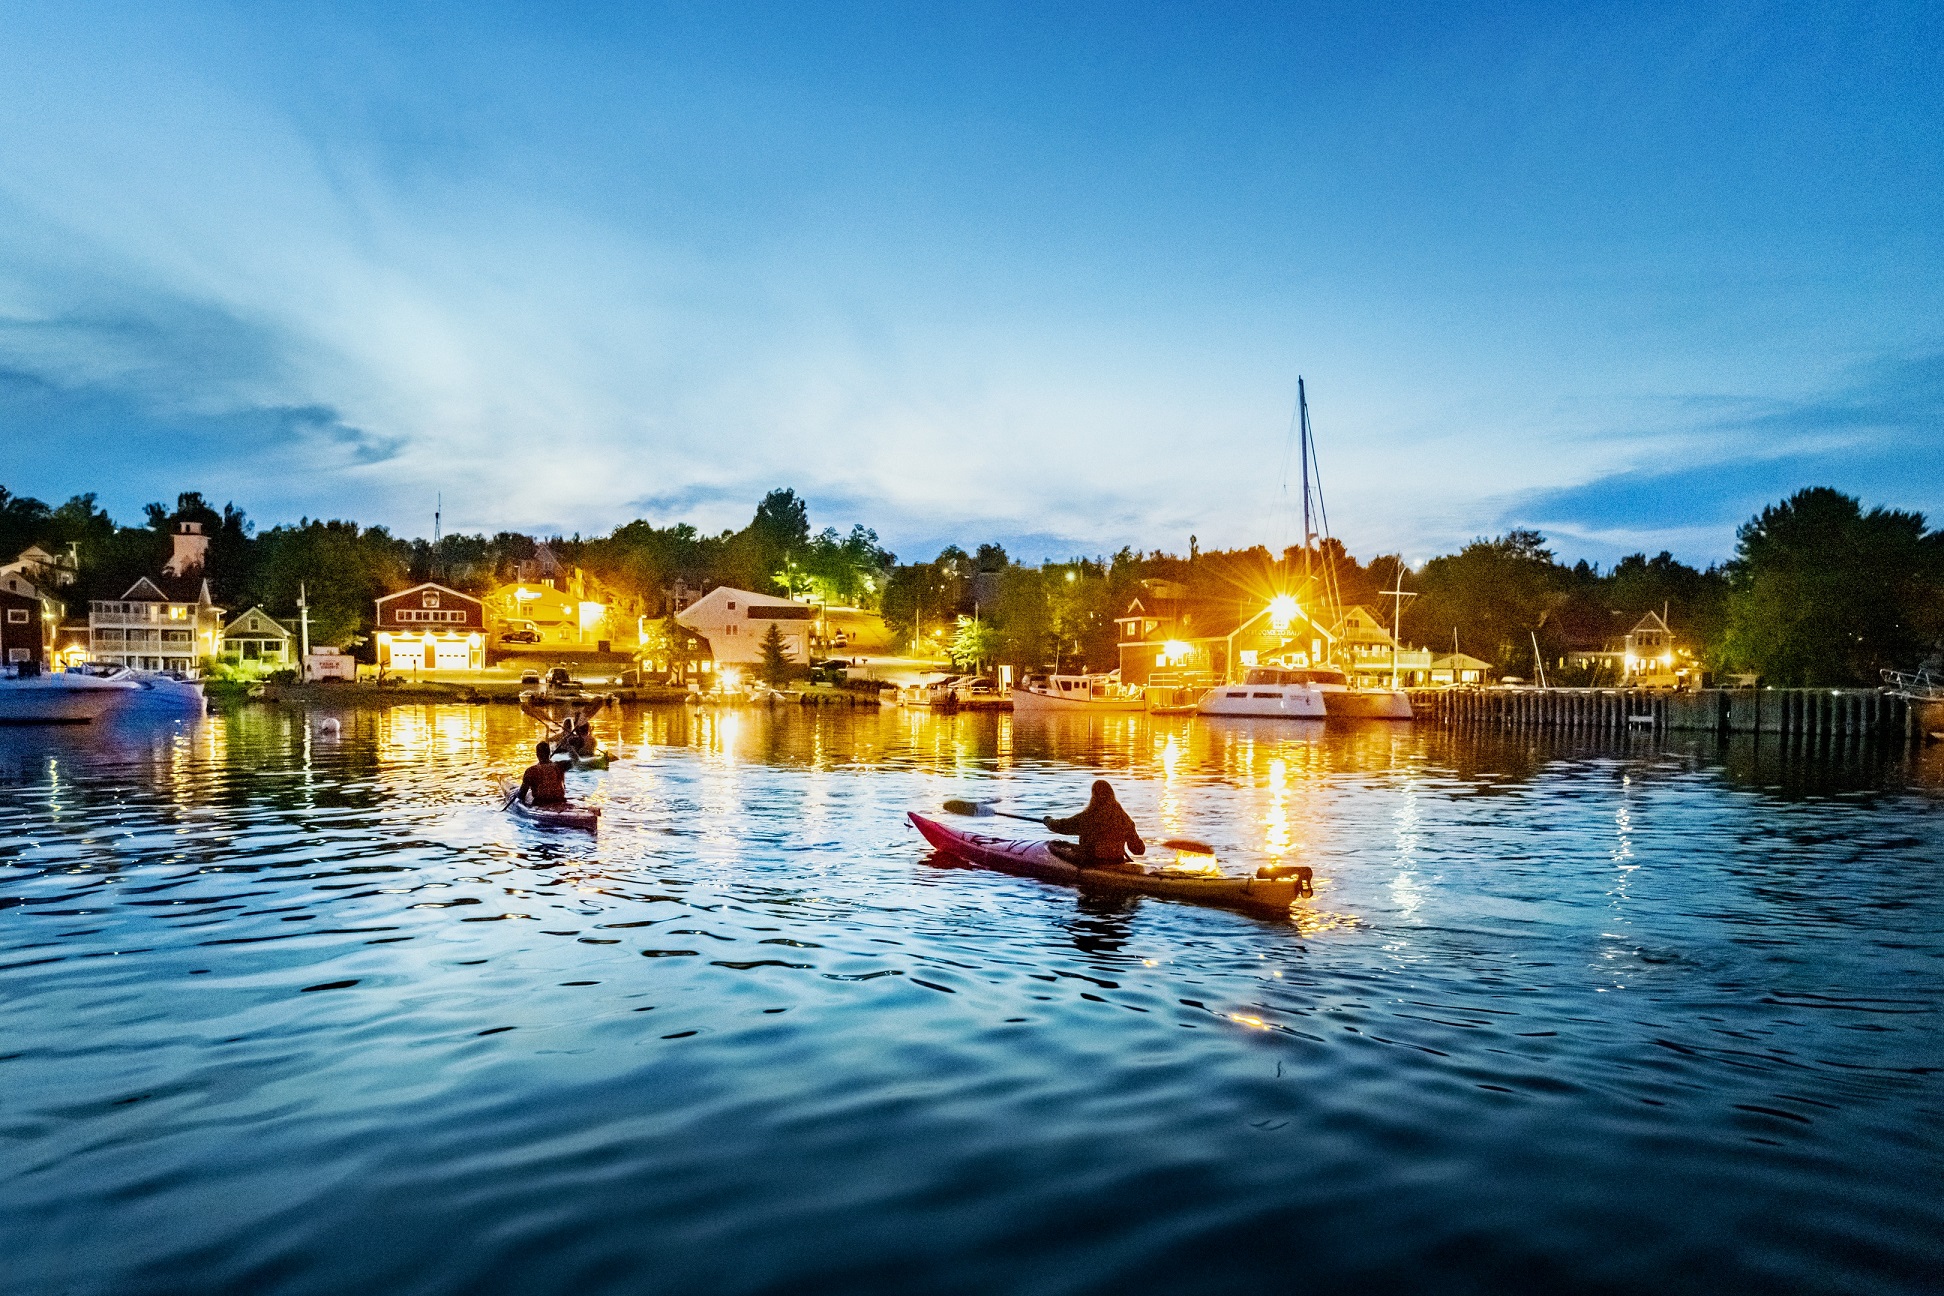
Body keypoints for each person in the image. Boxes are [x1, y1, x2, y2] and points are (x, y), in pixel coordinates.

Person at [1044, 779, 1146, 873]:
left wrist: (1048, 821)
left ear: (1094, 796)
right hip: (1117, 860)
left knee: (1055, 846)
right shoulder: (1125, 819)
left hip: (1093, 862)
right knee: (1068, 845)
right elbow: (1139, 850)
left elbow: (1063, 826)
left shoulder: (1089, 817)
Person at [515, 741, 570, 806]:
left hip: (541, 803)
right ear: (549, 753)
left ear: (537, 754)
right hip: (560, 801)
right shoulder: (559, 766)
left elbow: (522, 795)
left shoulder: (531, 771)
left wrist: (516, 795)